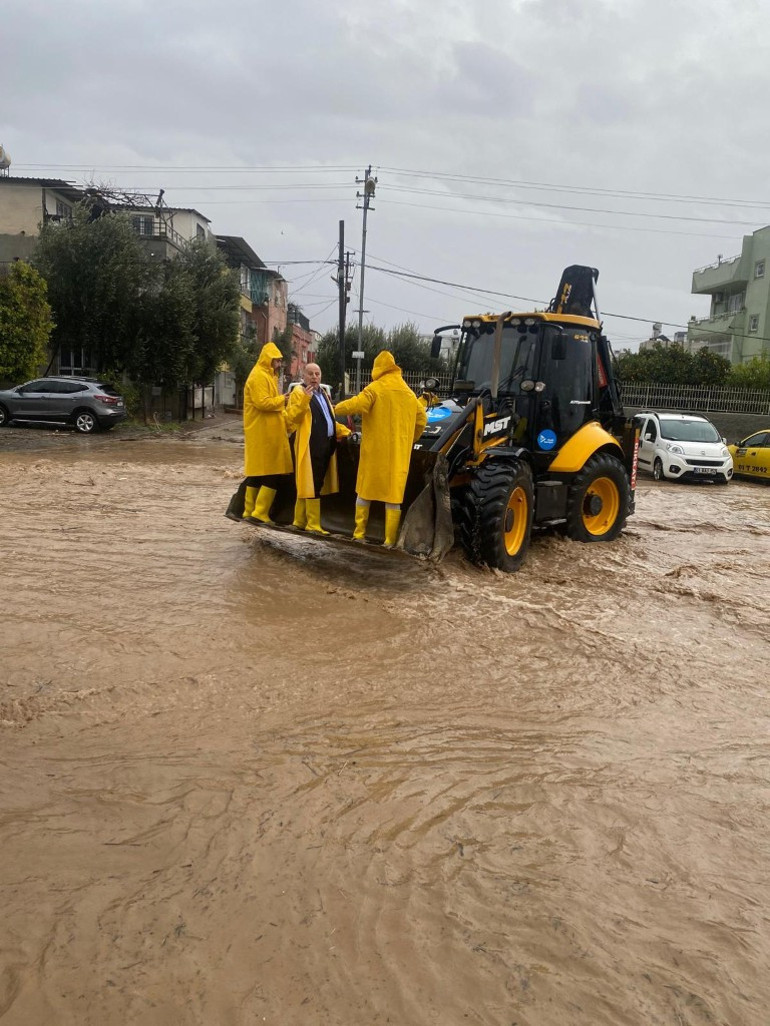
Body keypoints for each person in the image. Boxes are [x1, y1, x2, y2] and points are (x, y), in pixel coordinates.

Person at [334, 350, 427, 547]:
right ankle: (390, 541)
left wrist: (334, 408)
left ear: (377, 368)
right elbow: (422, 419)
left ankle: (359, 534)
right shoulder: (409, 394)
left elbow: (356, 404)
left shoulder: (375, 388)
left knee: (364, 493)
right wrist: (410, 439)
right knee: (393, 498)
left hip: (374, 453)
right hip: (398, 455)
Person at [286, 363, 350, 534]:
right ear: (303, 376)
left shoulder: (323, 394)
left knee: (312, 482)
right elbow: (292, 418)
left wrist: (345, 431)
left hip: (325, 445)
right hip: (311, 444)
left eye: (317, 374)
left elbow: (329, 419)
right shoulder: (299, 392)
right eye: (310, 374)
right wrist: (305, 400)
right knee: (312, 482)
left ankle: (299, 521)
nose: (314, 377)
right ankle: (313, 524)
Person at [242, 341, 293, 523]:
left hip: (265, 431)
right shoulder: (259, 376)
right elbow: (262, 402)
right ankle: (260, 512)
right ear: (268, 359)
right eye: (276, 360)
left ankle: (249, 511)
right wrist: (283, 400)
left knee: (258, 472)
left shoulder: (267, 376)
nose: (279, 364)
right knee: (272, 472)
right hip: (264, 432)